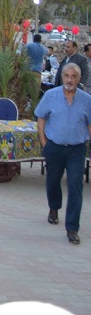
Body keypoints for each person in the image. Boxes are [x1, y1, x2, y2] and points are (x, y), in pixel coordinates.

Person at [35, 62, 91, 245]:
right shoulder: (51, 95)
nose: (70, 80)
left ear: (79, 79)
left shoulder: (86, 100)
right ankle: (54, 207)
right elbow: (41, 118)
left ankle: (72, 227)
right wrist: (44, 143)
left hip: (77, 148)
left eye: (74, 76)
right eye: (67, 76)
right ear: (62, 77)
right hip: (55, 147)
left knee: (76, 185)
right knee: (53, 181)